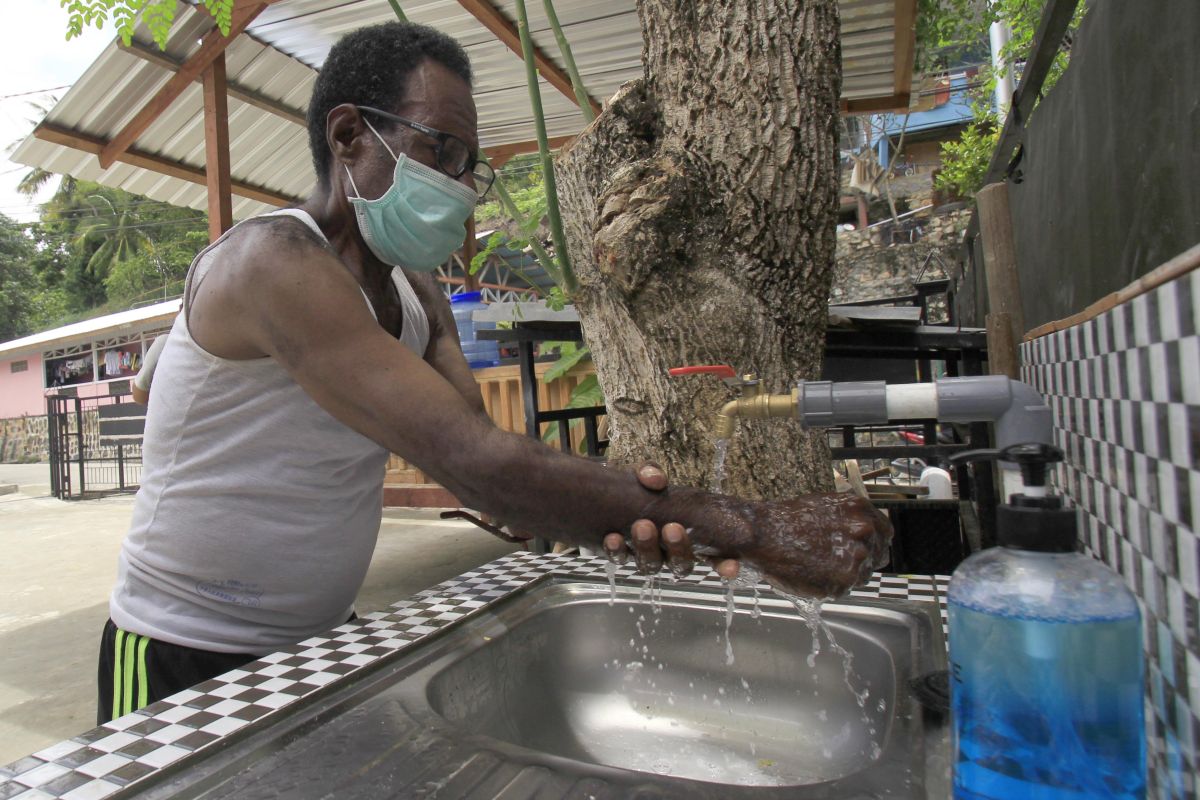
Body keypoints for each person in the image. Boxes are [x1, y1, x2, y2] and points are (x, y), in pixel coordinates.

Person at [98, 21, 891, 724]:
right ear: (348, 137)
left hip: (314, 642)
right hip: (179, 646)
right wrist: (751, 527)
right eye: (439, 149)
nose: (460, 187)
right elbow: (478, 468)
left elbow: (477, 448)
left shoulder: (414, 289)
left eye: (469, 165)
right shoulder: (274, 264)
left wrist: (597, 503)